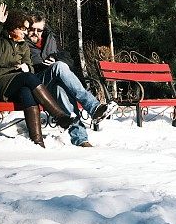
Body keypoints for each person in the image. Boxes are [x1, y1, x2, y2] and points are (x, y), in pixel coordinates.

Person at [0, 3, 76, 148]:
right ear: (13, 27)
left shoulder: (24, 46)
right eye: (23, 28)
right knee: (27, 79)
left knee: (27, 91)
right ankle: (59, 116)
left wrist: (26, 67)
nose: (25, 32)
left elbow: (30, 68)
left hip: (15, 83)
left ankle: (38, 142)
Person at [27, 11, 118, 147]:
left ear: (43, 29)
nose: (35, 33)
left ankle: (81, 139)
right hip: (36, 84)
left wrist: (55, 58)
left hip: (53, 84)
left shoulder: (51, 38)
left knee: (61, 89)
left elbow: (69, 59)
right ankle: (94, 107)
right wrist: (44, 65)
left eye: (39, 30)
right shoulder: (22, 42)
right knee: (59, 67)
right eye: (32, 29)